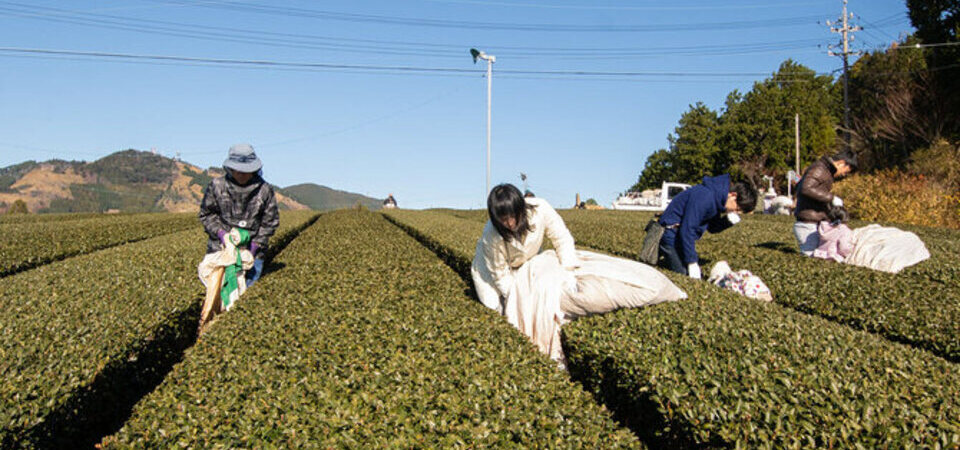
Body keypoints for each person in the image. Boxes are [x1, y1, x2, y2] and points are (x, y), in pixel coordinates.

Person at [471, 184, 686, 365]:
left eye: (512, 217)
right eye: (503, 220)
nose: (509, 223)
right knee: (497, 308)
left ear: (521, 208)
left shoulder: (541, 209)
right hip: (488, 271)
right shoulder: (491, 235)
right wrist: (520, 299)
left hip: (523, 261)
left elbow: (561, 238)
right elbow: (500, 275)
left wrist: (567, 270)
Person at [198, 143, 279, 288]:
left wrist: (254, 247)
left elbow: (270, 222)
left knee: (245, 295)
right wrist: (221, 233)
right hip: (220, 250)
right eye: (237, 170)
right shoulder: (217, 186)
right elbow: (207, 214)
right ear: (230, 168)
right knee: (218, 293)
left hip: (252, 255)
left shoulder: (264, 190)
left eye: (246, 171)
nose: (241, 174)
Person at [657, 174, 758, 279]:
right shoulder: (705, 197)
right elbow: (687, 230)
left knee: (687, 270)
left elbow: (712, 228)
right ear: (733, 195)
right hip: (670, 235)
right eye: (737, 209)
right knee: (683, 275)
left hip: (679, 236)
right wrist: (692, 262)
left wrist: (727, 221)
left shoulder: (717, 199)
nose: (736, 212)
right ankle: (662, 254)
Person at [794, 151, 857, 256]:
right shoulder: (820, 169)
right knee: (811, 257)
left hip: (812, 221)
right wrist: (831, 198)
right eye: (845, 171)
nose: (844, 174)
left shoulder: (826, 171)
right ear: (841, 163)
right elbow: (805, 188)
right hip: (807, 223)